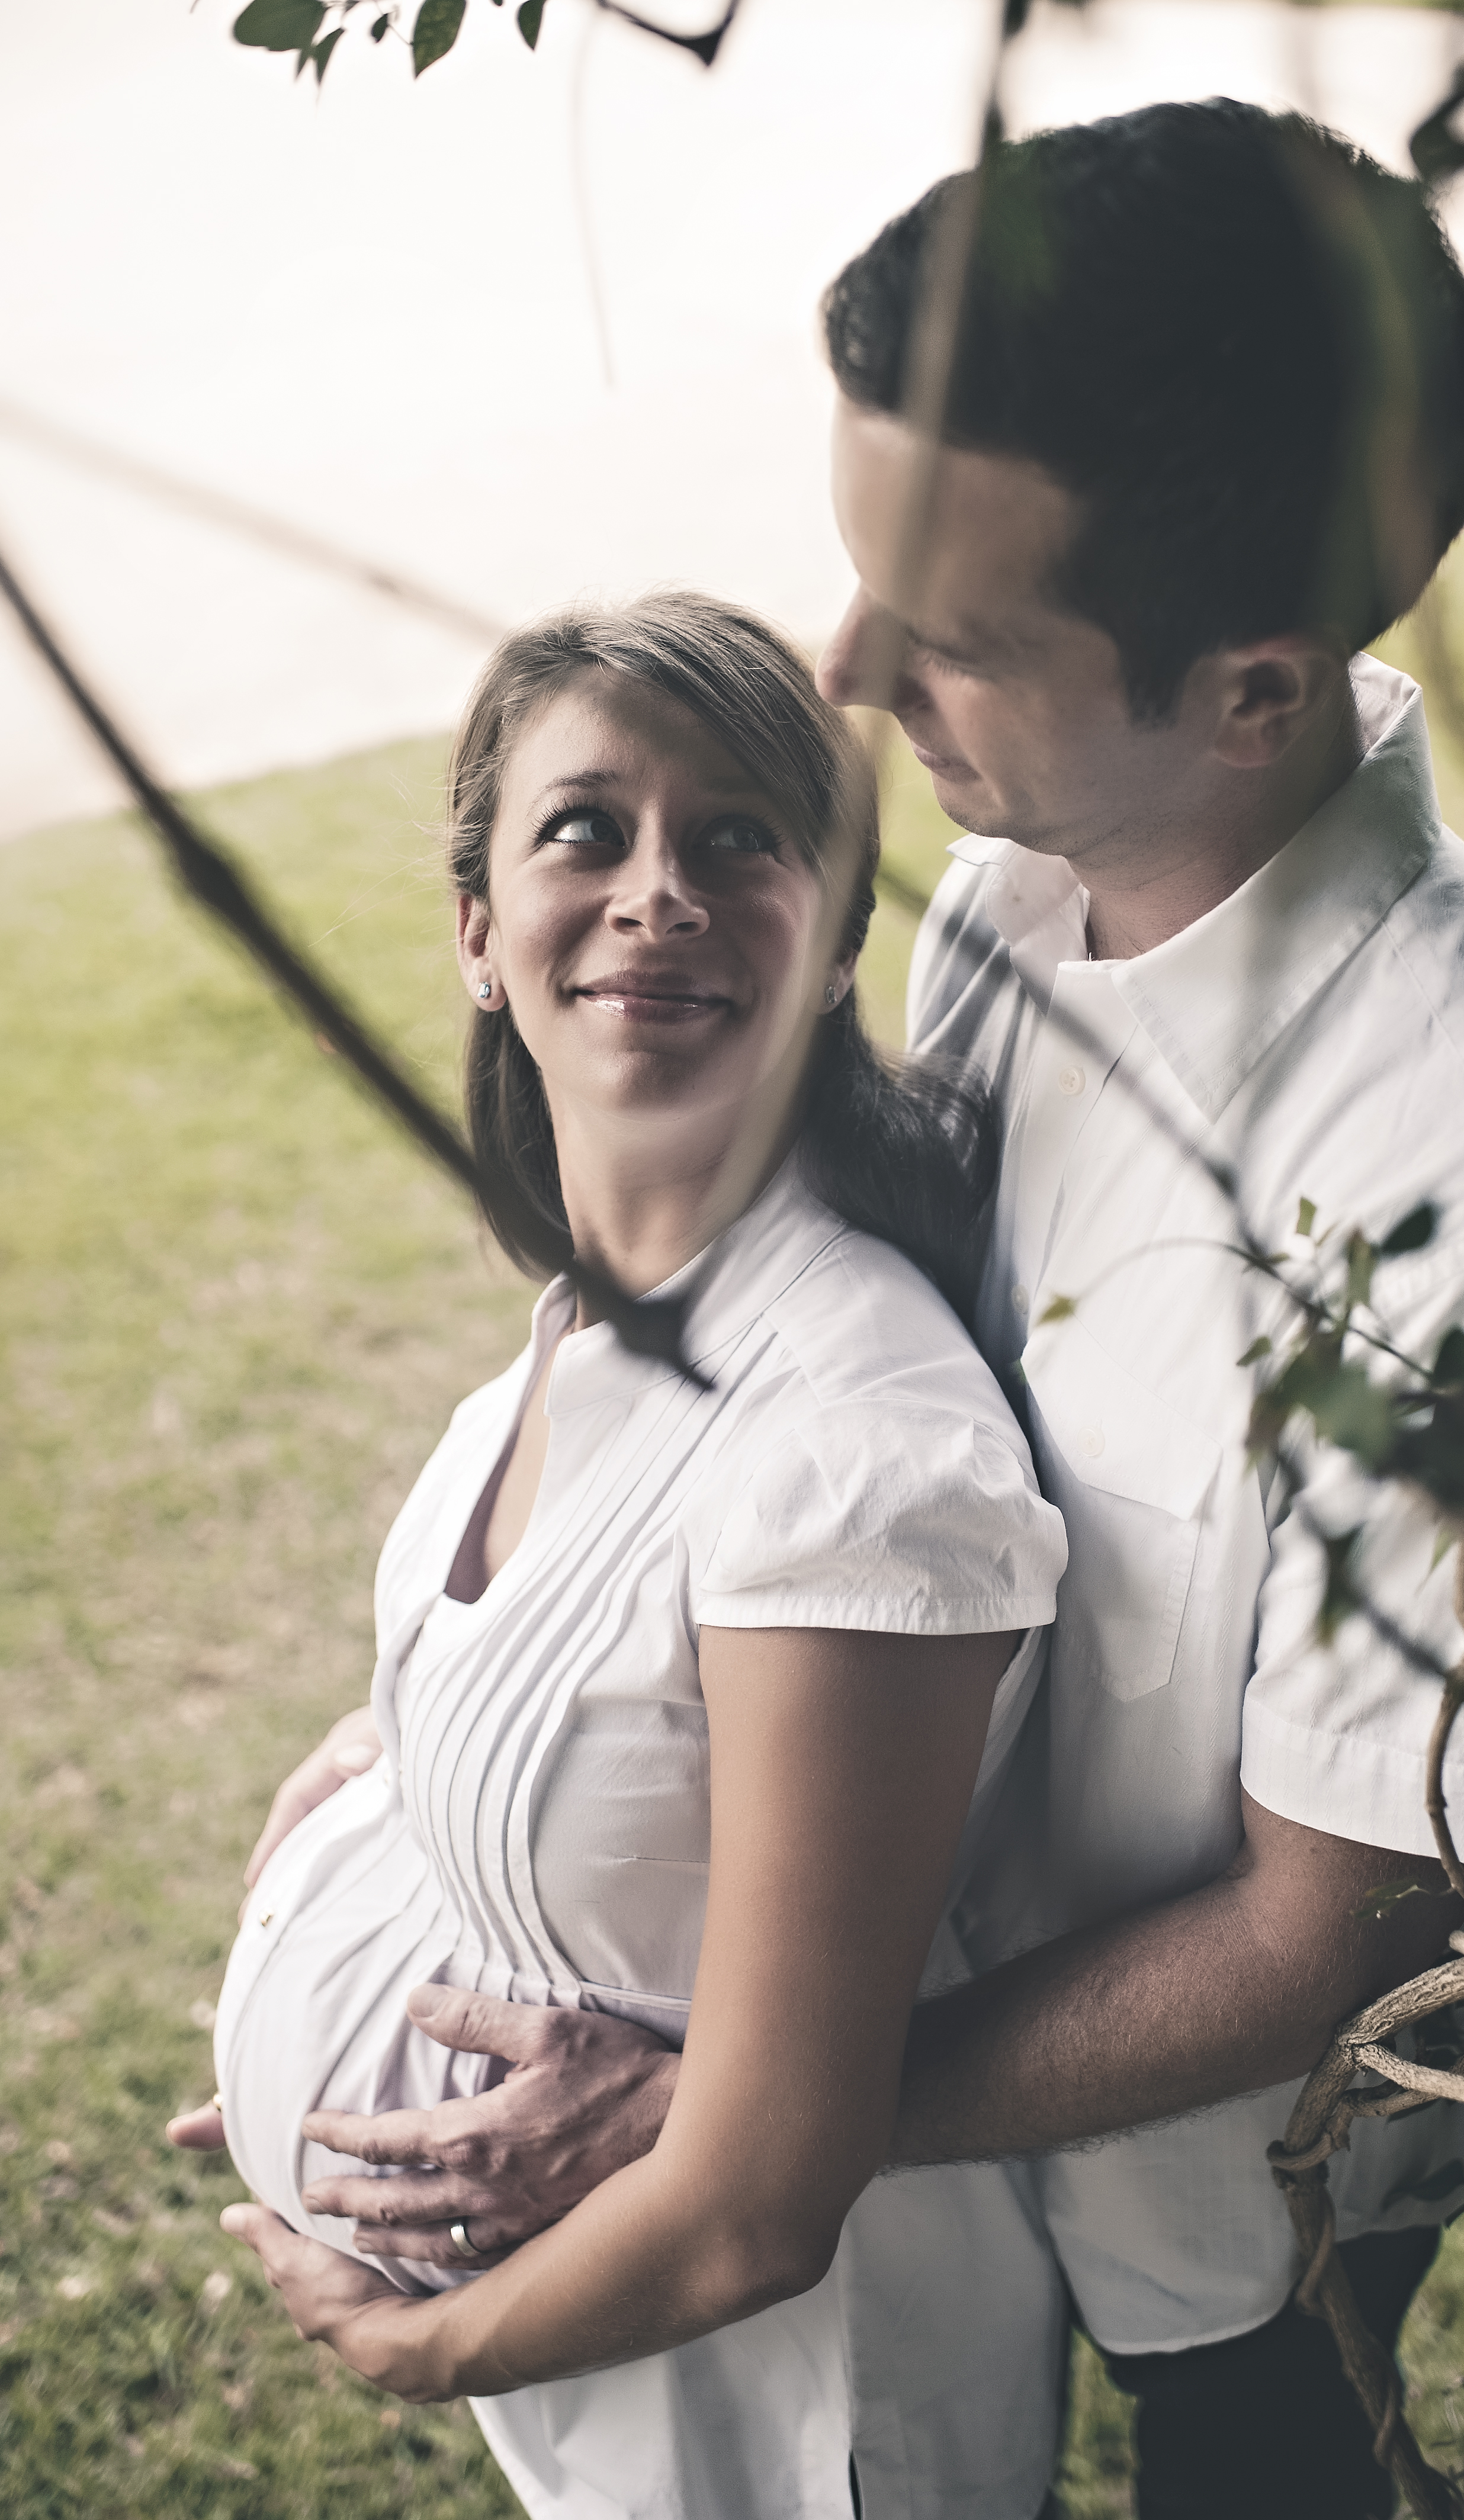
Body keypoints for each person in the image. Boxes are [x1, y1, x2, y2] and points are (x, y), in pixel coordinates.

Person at [184, 102, 1464, 2518]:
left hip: (1221, 2255)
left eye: (948, 634)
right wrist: (442, 1743)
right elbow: (760, 1356)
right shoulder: (1001, 893)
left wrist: (753, 2100)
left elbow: (1318, 1925)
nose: (846, 670)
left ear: (1258, 685)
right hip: (888, 2111)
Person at [193, 590, 1071, 2520]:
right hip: (618, 2410)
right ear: (480, 935)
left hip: (779, 2421)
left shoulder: (856, 1446)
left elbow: (757, 2202)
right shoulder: (605, 1319)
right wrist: (378, 1798)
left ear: (835, 937)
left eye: (743, 835)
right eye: (585, 829)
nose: (658, 889)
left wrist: (422, 2345)